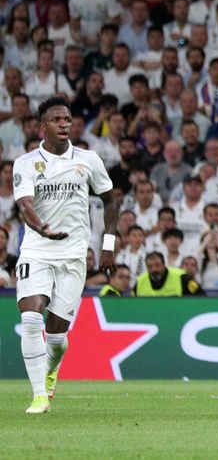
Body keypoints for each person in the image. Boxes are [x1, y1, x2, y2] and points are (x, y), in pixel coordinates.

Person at [13, 96, 120, 414]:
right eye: (57, 120)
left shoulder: (88, 160)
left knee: (57, 336)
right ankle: (38, 396)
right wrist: (43, 230)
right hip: (36, 251)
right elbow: (25, 206)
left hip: (73, 256)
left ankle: (50, 373)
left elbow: (111, 201)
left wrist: (109, 245)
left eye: (67, 119)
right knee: (32, 320)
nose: (64, 124)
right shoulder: (26, 163)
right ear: (42, 127)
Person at [136, 251, 205, 297]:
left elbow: (202, 297)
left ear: (164, 265)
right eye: (150, 267)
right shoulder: (140, 281)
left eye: (157, 265)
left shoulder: (182, 277)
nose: (154, 269)